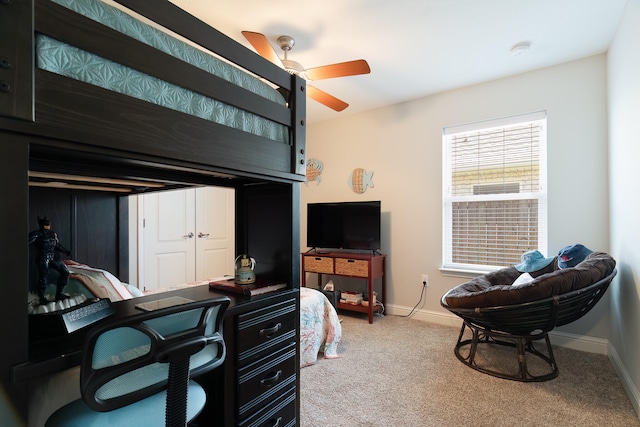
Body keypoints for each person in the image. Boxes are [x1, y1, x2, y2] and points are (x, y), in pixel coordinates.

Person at [29, 216, 71, 305]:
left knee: (65, 272)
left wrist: (66, 251)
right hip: (43, 257)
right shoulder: (37, 234)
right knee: (43, 278)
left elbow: (57, 245)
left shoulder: (52, 234)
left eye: (48, 224)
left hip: (52, 256)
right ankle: (42, 298)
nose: (48, 226)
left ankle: (59, 294)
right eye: (46, 224)